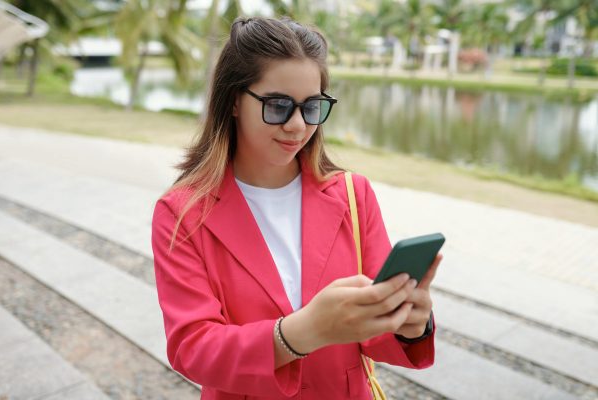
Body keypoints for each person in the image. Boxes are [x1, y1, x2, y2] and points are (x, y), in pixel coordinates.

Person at [151, 16, 442, 400]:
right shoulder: (181, 213)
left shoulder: (353, 194)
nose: (297, 126)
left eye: (312, 107)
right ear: (234, 101)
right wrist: (304, 331)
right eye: (278, 105)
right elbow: (193, 348)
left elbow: (373, 334)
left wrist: (409, 324)